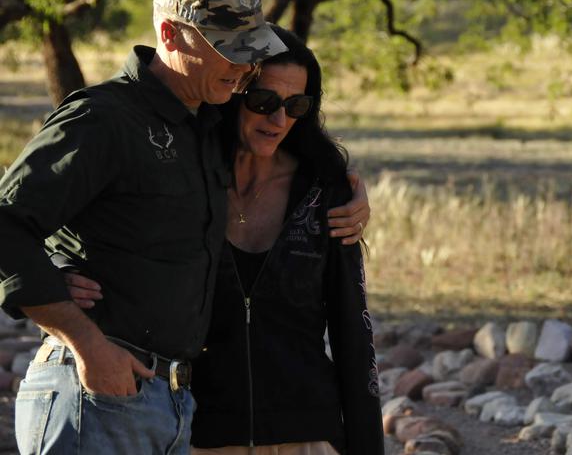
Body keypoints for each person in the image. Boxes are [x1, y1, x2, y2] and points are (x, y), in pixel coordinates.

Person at [0, 0, 369, 454]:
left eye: (250, 48)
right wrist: (82, 336)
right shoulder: (105, 119)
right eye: (228, 47)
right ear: (170, 35)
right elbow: (8, 221)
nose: (243, 65)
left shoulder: (202, 127)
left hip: (172, 406)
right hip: (98, 393)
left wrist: (345, 188)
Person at [68, 25, 384, 454]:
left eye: (297, 105)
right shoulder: (182, 180)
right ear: (233, 91)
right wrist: (60, 267)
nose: (279, 120)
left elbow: (353, 334)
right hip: (198, 431)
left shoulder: (325, 192)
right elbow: (89, 223)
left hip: (308, 433)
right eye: (264, 101)